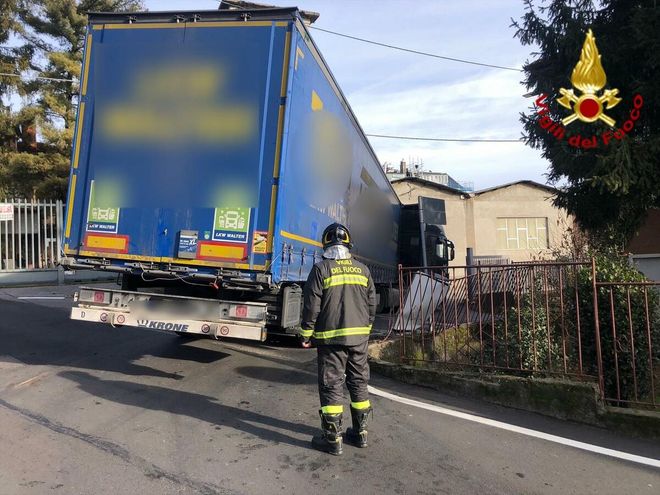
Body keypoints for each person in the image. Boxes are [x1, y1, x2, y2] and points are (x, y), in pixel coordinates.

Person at [299, 223, 377, 455]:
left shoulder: (321, 269)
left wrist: (306, 333)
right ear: (348, 244)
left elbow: (311, 305)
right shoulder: (363, 270)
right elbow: (372, 303)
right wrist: (366, 329)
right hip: (359, 339)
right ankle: (360, 434)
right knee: (359, 381)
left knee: (331, 384)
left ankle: (333, 439)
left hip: (331, 340)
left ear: (325, 245)